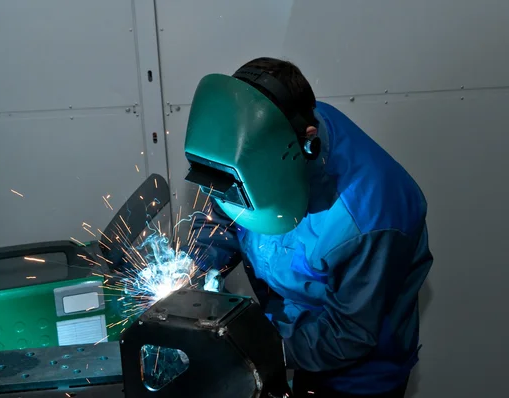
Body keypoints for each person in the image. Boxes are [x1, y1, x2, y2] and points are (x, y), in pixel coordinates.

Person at [182, 57, 433, 397]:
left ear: (306, 141)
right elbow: (224, 210)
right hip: (292, 330)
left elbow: (352, 332)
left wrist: (263, 350)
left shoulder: (370, 216)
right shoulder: (268, 136)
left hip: (357, 374)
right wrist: (194, 265)